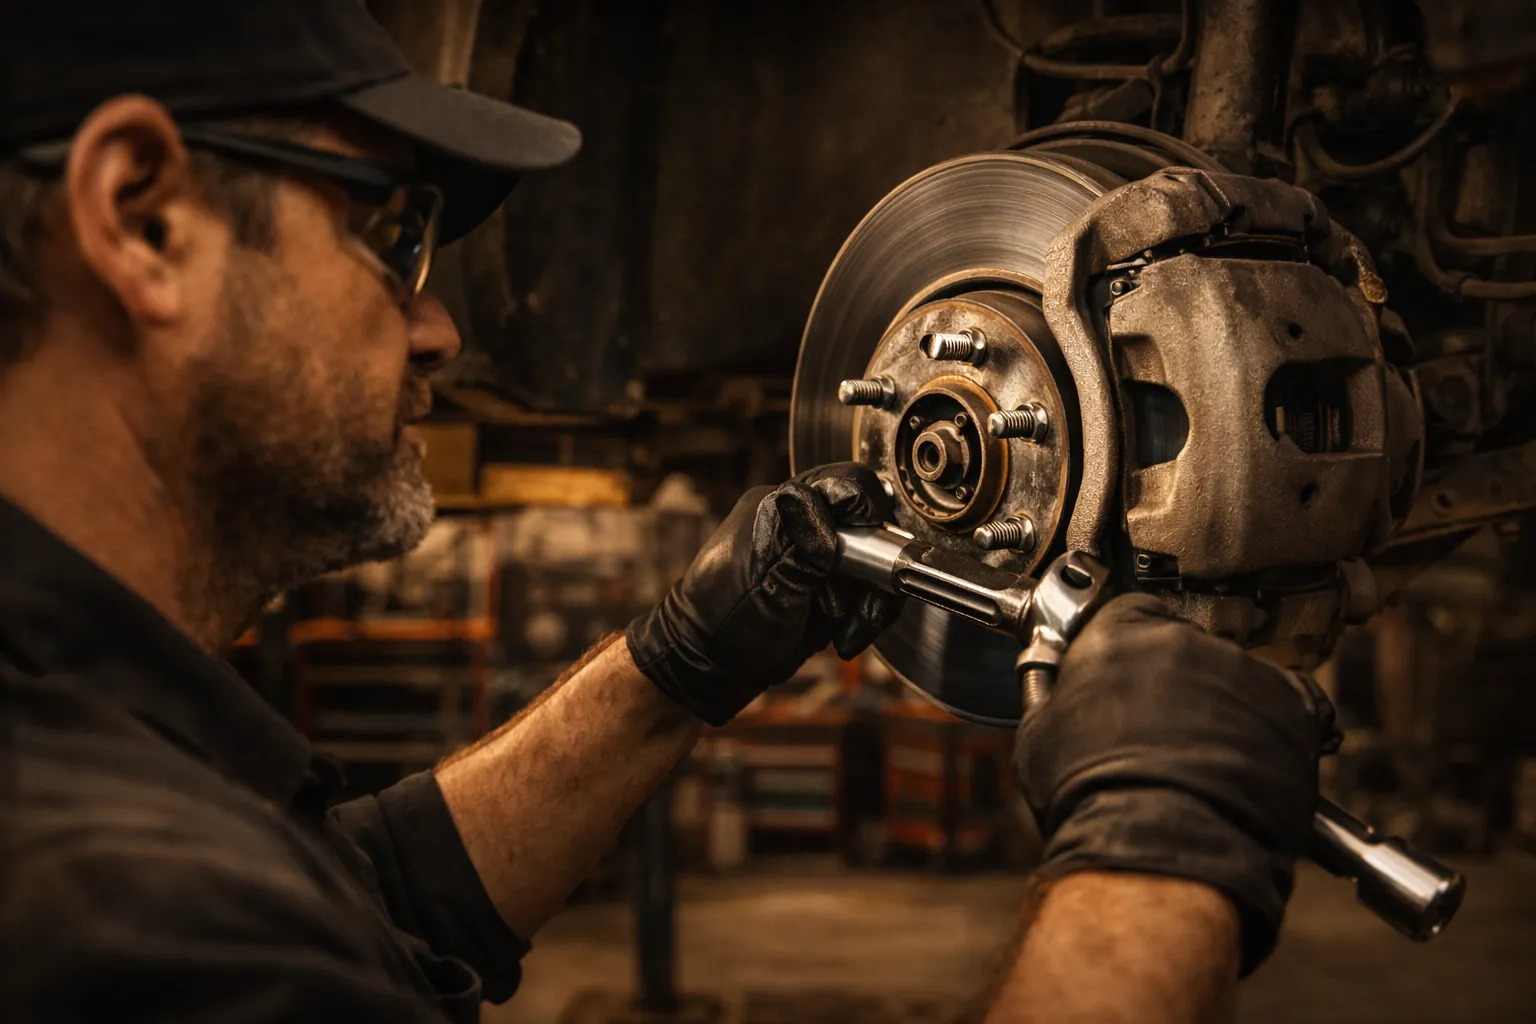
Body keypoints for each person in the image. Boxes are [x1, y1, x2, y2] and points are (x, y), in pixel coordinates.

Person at [0, 2, 1335, 1021]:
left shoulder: (82, 749)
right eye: (390, 233)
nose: (438, 325)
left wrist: (679, 665)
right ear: (143, 220)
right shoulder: (117, 918)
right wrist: (1154, 868)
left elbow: (371, 901)